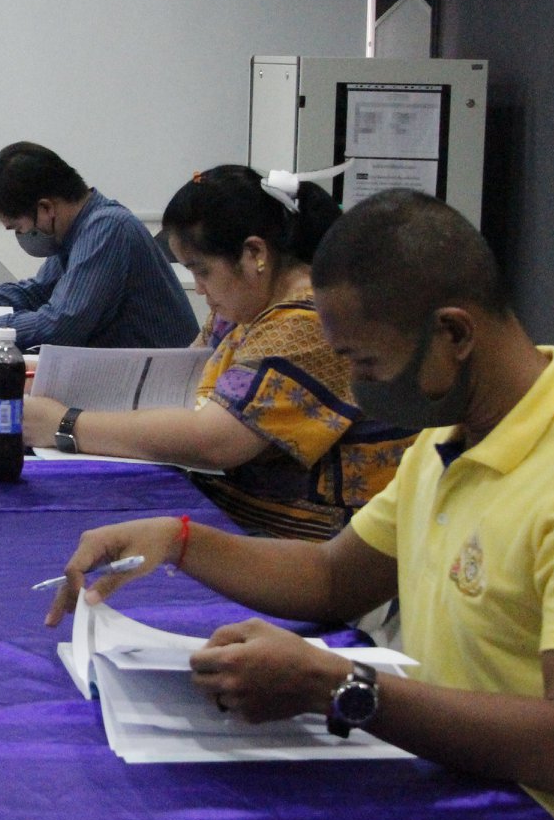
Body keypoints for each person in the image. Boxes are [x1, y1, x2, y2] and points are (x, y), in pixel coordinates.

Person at [45, 191, 554, 820]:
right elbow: (333, 579)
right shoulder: (448, 440)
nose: (354, 387)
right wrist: (179, 539)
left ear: (454, 334)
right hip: (461, 791)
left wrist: (338, 685)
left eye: (368, 365)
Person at [22, 165, 413, 539]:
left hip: (307, 541)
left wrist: (67, 424)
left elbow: (215, 441)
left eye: (202, 270)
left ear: (254, 254)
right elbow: (175, 384)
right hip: (237, 511)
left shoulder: (307, 322)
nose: (199, 288)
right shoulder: (240, 309)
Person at [0, 142, 196, 349]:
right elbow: (35, 293)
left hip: (162, 383)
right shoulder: (79, 230)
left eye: (19, 228)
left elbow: (58, 326)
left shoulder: (108, 229)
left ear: (46, 208)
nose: (21, 236)